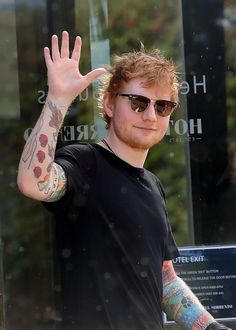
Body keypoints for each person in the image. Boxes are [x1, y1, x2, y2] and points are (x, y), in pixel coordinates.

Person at [17, 31, 231, 330]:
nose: (151, 116)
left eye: (163, 106)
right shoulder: (84, 163)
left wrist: (212, 328)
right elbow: (33, 182)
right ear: (108, 105)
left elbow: (166, 280)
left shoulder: (153, 186)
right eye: (138, 102)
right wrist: (58, 100)